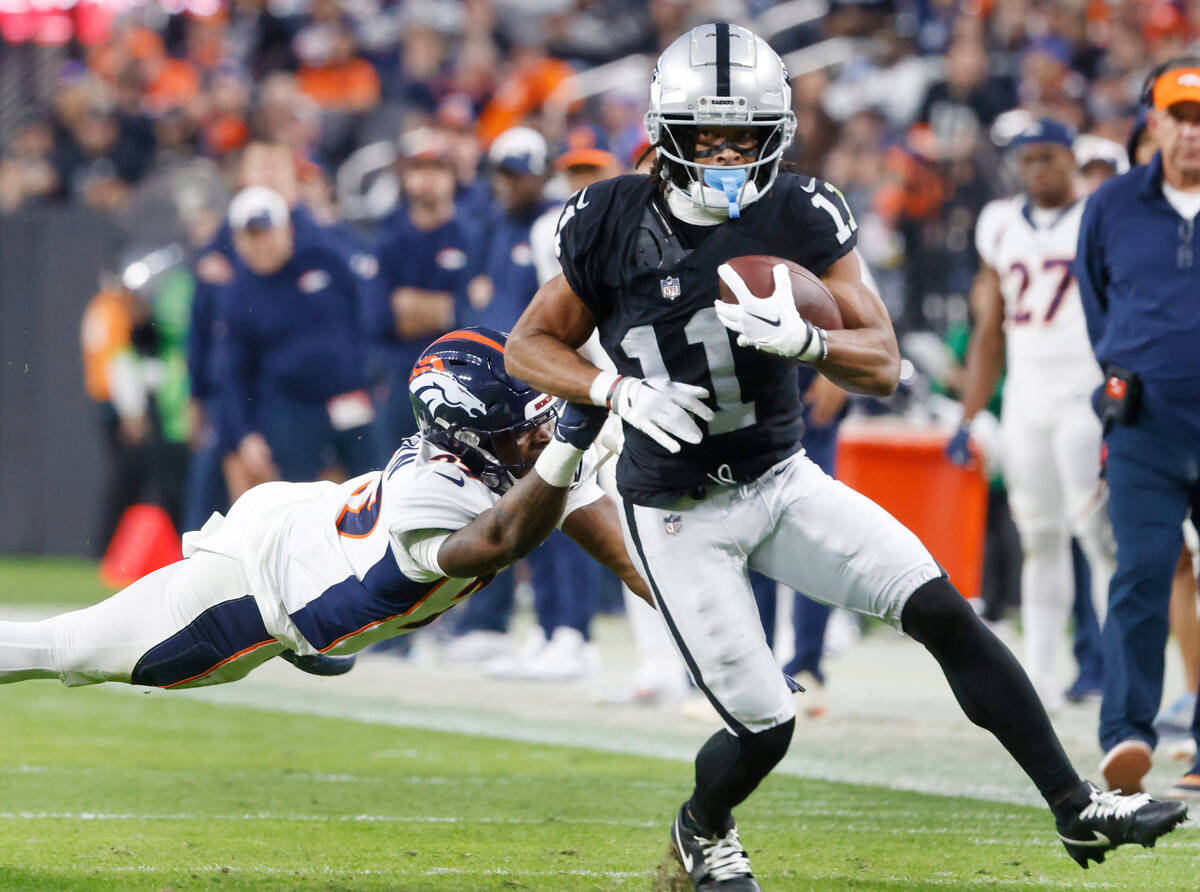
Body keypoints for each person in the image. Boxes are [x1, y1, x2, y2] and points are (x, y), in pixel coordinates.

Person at [506, 23, 1187, 889]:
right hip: (673, 508)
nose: (726, 154)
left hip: (780, 479)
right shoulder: (610, 218)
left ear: (777, 135)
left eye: (745, 137)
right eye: (708, 136)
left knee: (943, 610)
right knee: (766, 725)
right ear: (667, 135)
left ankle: (1074, 804)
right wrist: (615, 393)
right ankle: (701, 827)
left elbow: (884, 357)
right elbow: (526, 345)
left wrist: (808, 341)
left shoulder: (799, 210)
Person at [0, 328, 647, 693]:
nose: (541, 431)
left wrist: (690, 608)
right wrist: (570, 449)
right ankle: (303, 640)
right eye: (525, 425)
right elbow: (501, 539)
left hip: (312, 524)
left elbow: (623, 553)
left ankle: (314, 639)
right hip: (252, 587)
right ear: (470, 432)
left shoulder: (502, 460)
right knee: (66, 648)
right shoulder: (433, 494)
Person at [946, 119, 1116, 712]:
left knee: (1098, 537)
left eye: (1048, 156)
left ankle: (1115, 672)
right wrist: (970, 415)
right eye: (1027, 159)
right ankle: (1040, 673)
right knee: (1038, 536)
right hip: (1027, 394)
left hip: (1084, 390)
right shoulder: (998, 224)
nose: (1037, 168)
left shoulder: (1099, 214)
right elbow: (989, 329)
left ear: (1072, 157)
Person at [1076, 57, 1200, 799]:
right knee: (1141, 576)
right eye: (1181, 118)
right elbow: (1098, 305)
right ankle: (1127, 733)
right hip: (1145, 427)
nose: (1193, 134)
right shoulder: (1114, 204)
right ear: (1154, 122)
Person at [221, 185, 376, 487]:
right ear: (237, 242)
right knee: (307, 506)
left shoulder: (324, 259)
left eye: (266, 232)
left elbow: (369, 314)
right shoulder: (238, 296)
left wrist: (374, 376)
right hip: (292, 412)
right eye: (250, 237)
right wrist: (245, 434)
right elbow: (233, 372)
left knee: (375, 490)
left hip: (354, 397)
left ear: (287, 228)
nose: (260, 244)